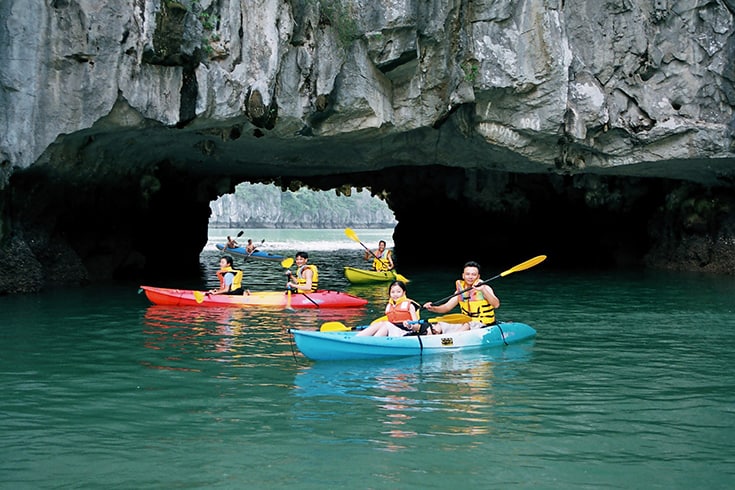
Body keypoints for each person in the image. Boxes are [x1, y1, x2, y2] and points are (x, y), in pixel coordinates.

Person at [422, 261, 500, 333]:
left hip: (482, 323)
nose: (470, 277)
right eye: (467, 274)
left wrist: (483, 289)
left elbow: (496, 305)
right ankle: (434, 336)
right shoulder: (460, 292)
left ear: (478, 276)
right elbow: (446, 307)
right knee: (441, 324)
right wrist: (433, 308)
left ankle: (453, 338)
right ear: (463, 275)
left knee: (467, 325)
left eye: (473, 274)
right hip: (465, 321)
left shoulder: (485, 288)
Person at [357, 281, 425, 336]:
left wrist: (410, 326)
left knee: (386, 325)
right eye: (392, 292)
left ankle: (372, 342)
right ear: (389, 293)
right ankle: (358, 338)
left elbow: (416, 327)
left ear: (404, 293)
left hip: (406, 333)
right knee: (382, 323)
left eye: (398, 292)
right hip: (393, 331)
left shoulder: (410, 305)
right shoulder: (390, 305)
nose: (395, 294)